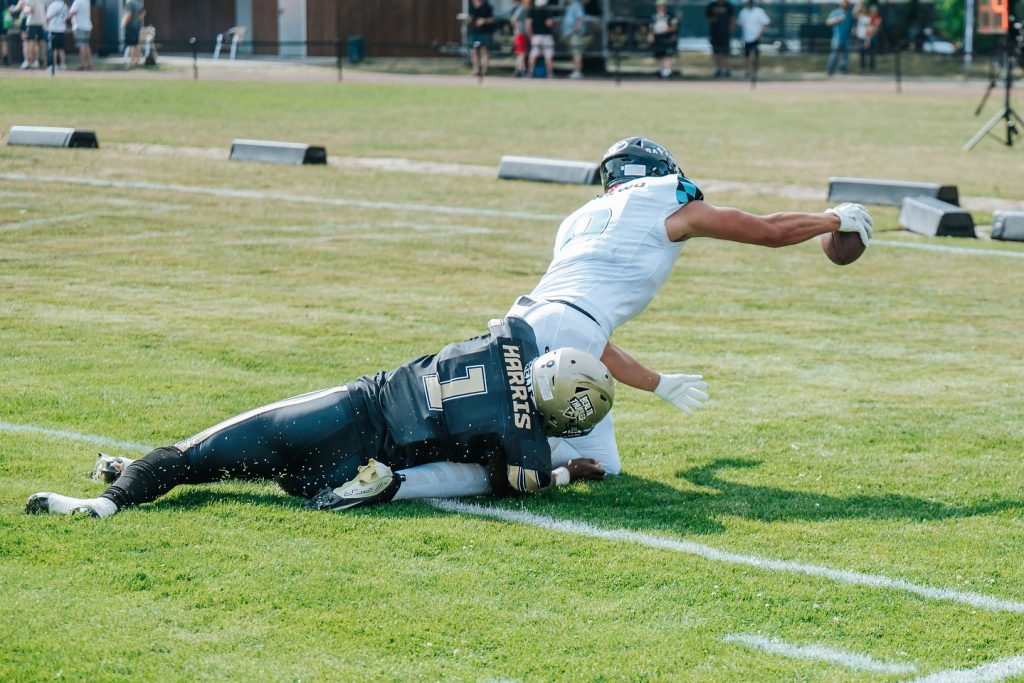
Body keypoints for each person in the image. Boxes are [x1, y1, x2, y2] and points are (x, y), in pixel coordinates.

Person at [503, 137, 873, 478]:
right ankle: (511, 459)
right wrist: (835, 219)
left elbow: (582, 330)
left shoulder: (579, 219)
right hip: (562, 331)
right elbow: (768, 231)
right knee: (512, 451)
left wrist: (658, 383)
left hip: (524, 321)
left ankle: (543, 460)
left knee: (604, 465)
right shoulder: (662, 197)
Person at [25, 318, 615, 518]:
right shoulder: (526, 440)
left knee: (195, 459)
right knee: (269, 477)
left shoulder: (516, 336)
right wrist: (565, 474)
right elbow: (514, 482)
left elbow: (508, 336)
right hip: (356, 460)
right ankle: (345, 493)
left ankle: (103, 505)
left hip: (342, 408)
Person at [737, 0, 770, 80]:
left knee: (756, 56)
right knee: (746, 56)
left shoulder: (759, 11)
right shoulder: (743, 12)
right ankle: (747, 72)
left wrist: (760, 33)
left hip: (756, 37)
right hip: (746, 38)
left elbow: (766, 23)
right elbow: (739, 23)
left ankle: (756, 72)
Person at [705, 0, 735, 78]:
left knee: (725, 52)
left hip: (725, 33)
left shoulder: (728, 5)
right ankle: (719, 69)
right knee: (716, 52)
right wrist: (712, 19)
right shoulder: (712, 5)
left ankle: (726, 69)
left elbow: (732, 17)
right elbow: (707, 16)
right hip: (715, 33)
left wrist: (730, 29)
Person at [649, 0, 678, 79]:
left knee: (667, 55)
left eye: (662, 5)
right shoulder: (654, 16)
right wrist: (651, 35)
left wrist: (667, 29)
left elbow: (674, 27)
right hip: (658, 38)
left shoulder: (670, 16)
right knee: (661, 55)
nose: (660, 7)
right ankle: (662, 71)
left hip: (667, 38)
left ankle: (668, 72)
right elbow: (651, 27)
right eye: (658, 6)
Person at [12, 0, 45, 69]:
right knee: (36, 42)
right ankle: (36, 61)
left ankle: (28, 61)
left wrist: (21, 9)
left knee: (27, 42)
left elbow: (29, 9)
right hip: (40, 21)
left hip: (30, 21)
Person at [466, 0, 495, 77]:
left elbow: (493, 19)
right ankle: (475, 69)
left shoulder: (487, 6)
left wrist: (484, 20)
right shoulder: (471, 5)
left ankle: (484, 70)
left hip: (484, 32)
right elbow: (470, 18)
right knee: (474, 50)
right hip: (474, 32)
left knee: (483, 50)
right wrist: (469, 20)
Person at [526, 0, 555, 78]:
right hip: (547, 36)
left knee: (533, 54)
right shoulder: (547, 11)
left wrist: (530, 34)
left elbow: (528, 23)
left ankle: (530, 72)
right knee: (548, 55)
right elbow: (549, 23)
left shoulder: (532, 11)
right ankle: (550, 73)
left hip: (536, 36)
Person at [826, 0, 854, 76]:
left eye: (847, 3)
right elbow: (828, 22)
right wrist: (837, 19)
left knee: (845, 55)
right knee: (834, 54)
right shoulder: (835, 12)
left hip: (847, 38)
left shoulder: (850, 13)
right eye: (844, 2)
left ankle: (843, 70)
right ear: (841, 4)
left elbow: (852, 24)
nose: (846, 4)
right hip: (837, 37)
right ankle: (830, 71)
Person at [562, 0, 585, 79]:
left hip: (575, 34)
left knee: (576, 53)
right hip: (571, 34)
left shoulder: (576, 5)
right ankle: (575, 71)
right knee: (574, 53)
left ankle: (577, 72)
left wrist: (575, 29)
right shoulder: (570, 6)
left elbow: (580, 18)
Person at [857, 3, 881, 73]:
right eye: (872, 10)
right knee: (863, 53)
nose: (873, 12)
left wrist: (867, 40)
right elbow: (869, 29)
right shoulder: (869, 18)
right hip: (867, 38)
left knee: (871, 54)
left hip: (871, 39)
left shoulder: (877, 19)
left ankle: (870, 69)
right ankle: (862, 68)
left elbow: (873, 29)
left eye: (875, 11)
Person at [509, 0, 531, 77]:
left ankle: (520, 70)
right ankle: (520, 70)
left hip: (523, 34)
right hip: (520, 34)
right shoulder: (521, 9)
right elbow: (513, 20)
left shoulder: (525, 9)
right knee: (521, 53)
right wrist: (517, 30)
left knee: (522, 53)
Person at [67, 0, 90, 69]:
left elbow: (71, 13)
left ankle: (84, 63)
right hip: (87, 26)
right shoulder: (86, 1)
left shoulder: (77, 2)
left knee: (82, 45)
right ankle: (88, 62)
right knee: (86, 45)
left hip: (80, 26)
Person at [44, 0, 66, 71]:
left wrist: (46, 25)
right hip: (62, 29)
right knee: (61, 48)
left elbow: (47, 17)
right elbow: (66, 17)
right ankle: (63, 65)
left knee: (53, 48)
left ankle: (54, 65)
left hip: (53, 29)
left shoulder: (52, 5)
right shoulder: (64, 5)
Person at [121, 0, 142, 69]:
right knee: (136, 45)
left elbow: (129, 13)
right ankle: (137, 61)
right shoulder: (138, 3)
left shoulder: (130, 3)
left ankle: (132, 62)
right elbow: (143, 13)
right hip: (136, 26)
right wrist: (137, 20)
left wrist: (123, 24)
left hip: (130, 27)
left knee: (131, 45)